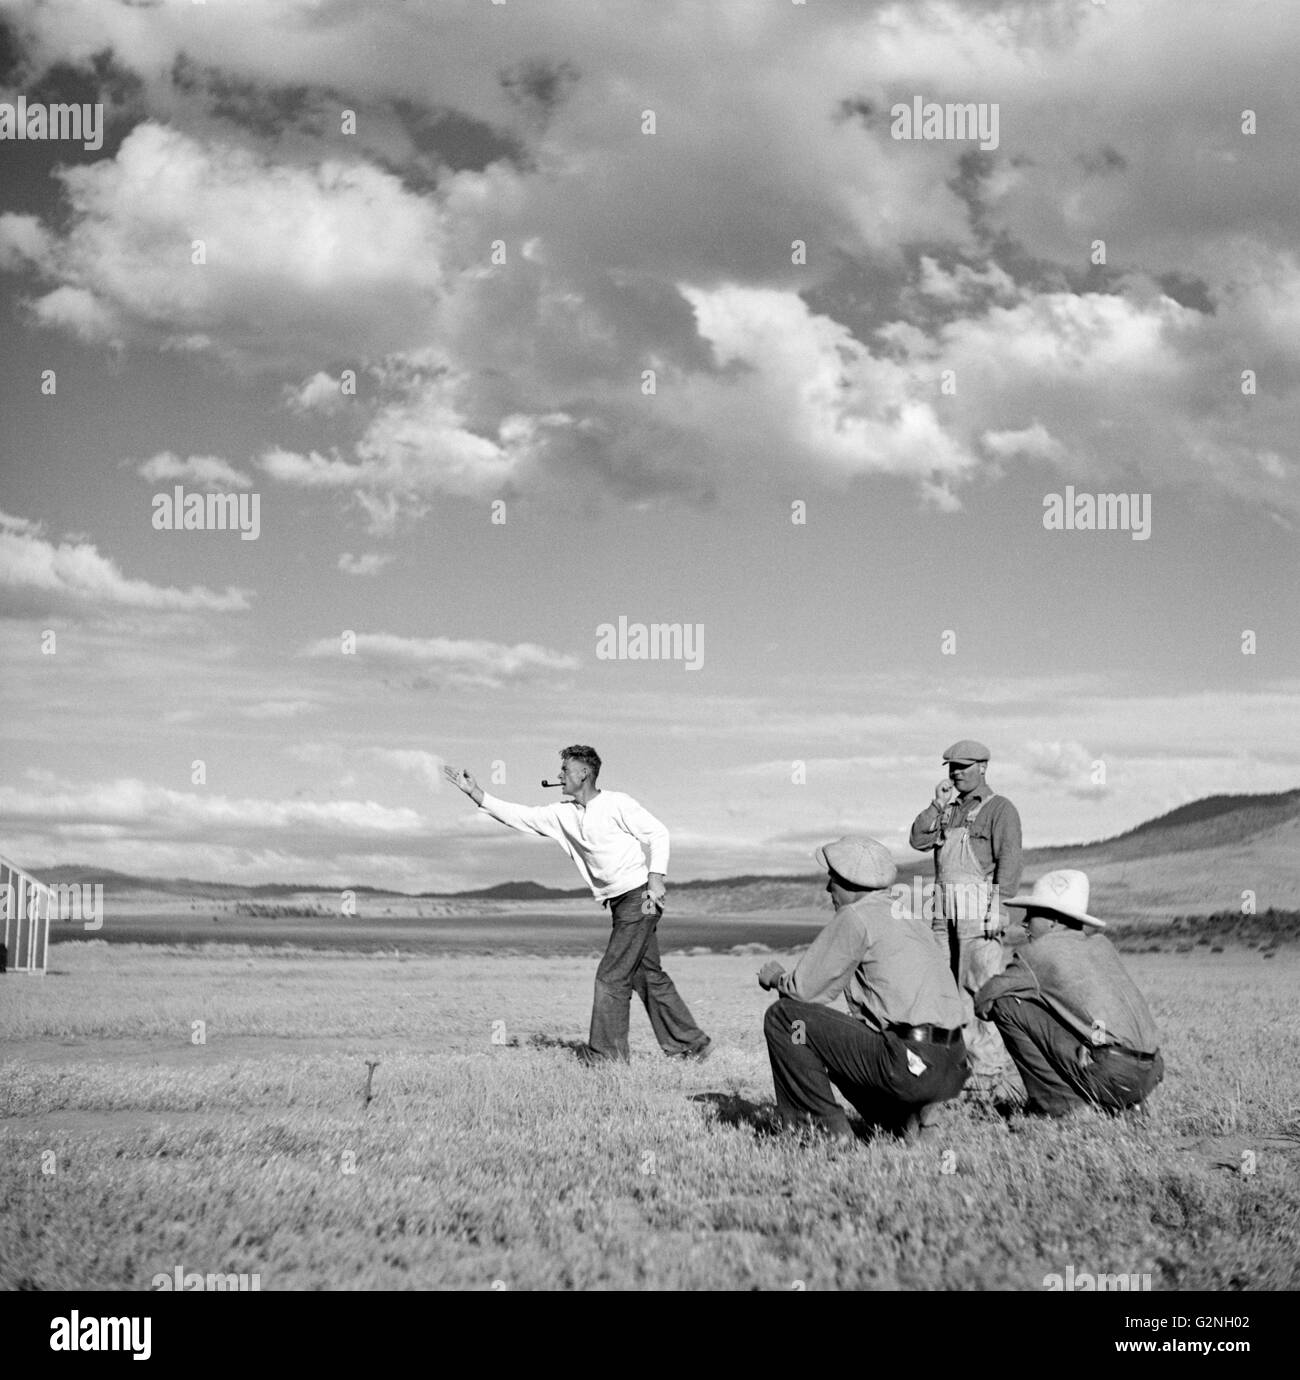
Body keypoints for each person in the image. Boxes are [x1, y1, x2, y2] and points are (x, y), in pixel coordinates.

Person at [443, 745, 711, 1064]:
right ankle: (691, 1044)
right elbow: (521, 816)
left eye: (565, 770)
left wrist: (656, 878)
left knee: (610, 977)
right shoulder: (563, 814)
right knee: (646, 975)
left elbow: (658, 833)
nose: (559, 775)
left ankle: (606, 1056)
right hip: (620, 903)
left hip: (641, 899)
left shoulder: (617, 803)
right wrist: (477, 793)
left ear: (584, 773)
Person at [757, 835, 968, 1144]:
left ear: (849, 883)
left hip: (910, 1063)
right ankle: (903, 1123)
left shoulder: (856, 916)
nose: (828, 888)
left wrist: (776, 978)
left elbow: (802, 993)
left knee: (785, 1018)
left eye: (832, 880)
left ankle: (822, 1132)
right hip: (952, 1065)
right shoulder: (906, 915)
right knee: (849, 1033)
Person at [974, 870, 1164, 1117]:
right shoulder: (1101, 946)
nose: (1023, 923)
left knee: (1007, 1005)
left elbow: (984, 1000)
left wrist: (1038, 1006)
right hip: (1150, 1073)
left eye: (1031, 915)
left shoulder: (1037, 953)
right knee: (1092, 1027)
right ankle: (1128, 1103)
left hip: (1112, 1073)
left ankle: (1063, 1105)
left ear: (1053, 921)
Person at [909, 739, 1022, 1093]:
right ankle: (954, 1071)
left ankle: (987, 1077)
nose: (956, 774)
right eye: (952, 768)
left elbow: (1010, 859)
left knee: (979, 986)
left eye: (963, 767)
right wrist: (936, 804)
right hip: (942, 906)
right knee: (943, 985)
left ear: (983, 767)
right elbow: (917, 840)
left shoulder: (1000, 808)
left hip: (978, 906)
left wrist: (999, 906)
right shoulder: (949, 809)